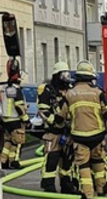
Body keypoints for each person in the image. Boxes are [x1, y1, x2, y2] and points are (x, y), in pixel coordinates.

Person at [60, 60, 107, 199]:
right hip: (97, 135)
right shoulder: (98, 92)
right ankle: (101, 190)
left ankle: (88, 194)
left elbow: (61, 116)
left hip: (79, 137)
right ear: (91, 78)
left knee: (83, 166)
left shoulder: (69, 94)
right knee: (98, 163)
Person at [38, 61, 76, 194]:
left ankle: (66, 184)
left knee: (67, 160)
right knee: (52, 158)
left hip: (68, 132)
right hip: (53, 132)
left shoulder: (70, 90)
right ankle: (48, 184)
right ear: (57, 75)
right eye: (63, 74)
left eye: (67, 74)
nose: (66, 77)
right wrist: (54, 120)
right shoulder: (48, 90)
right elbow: (43, 110)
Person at [0, 60, 29, 169]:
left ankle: (3, 161)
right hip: (15, 119)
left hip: (5, 119)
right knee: (18, 141)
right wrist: (26, 119)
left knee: (8, 141)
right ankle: (14, 161)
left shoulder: (3, 88)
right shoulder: (16, 90)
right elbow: (19, 106)